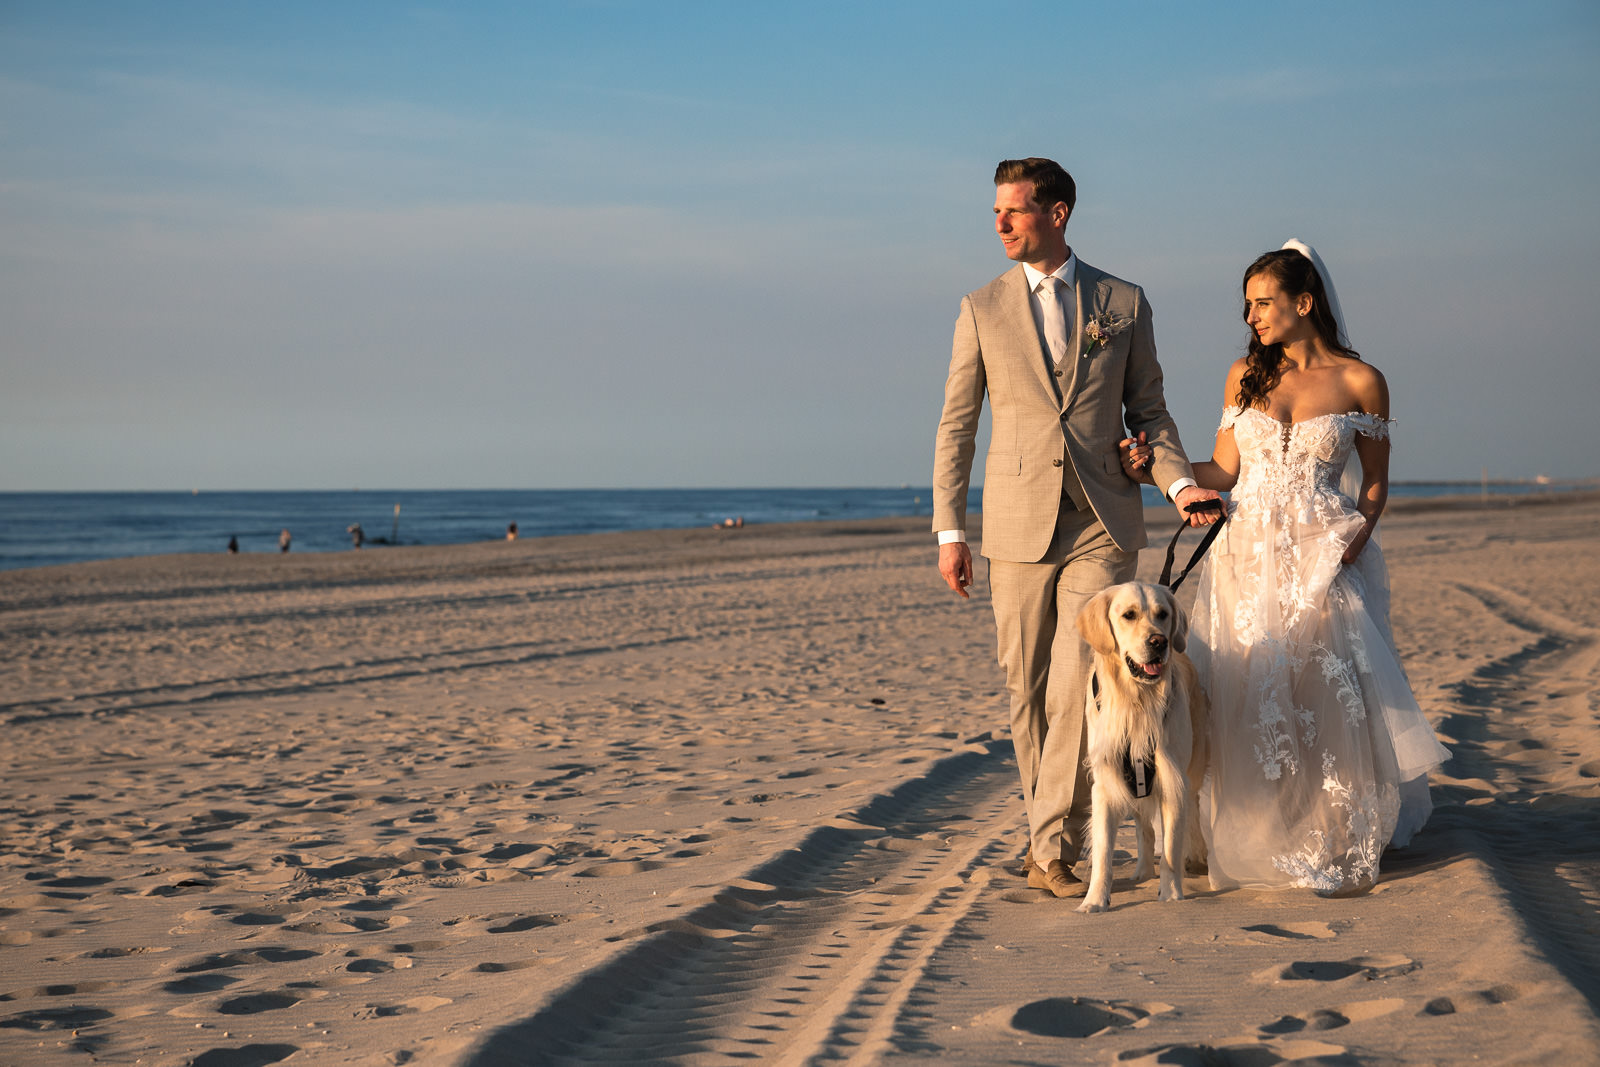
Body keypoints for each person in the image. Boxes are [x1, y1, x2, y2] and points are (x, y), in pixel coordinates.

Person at [1121, 241, 1449, 895]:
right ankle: (1263, 832)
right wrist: (1162, 474)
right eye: (1247, 305)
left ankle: (1332, 830)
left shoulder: (1363, 381)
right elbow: (1223, 471)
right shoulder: (1243, 374)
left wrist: (1357, 539)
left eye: (1264, 302)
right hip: (1245, 556)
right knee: (1251, 691)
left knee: (1326, 695)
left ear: (1305, 302)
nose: (1252, 316)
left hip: (1324, 552)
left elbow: (1376, 483)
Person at [932, 158, 1220, 898]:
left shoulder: (1122, 302)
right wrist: (949, 531)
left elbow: (1148, 412)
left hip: (1102, 518)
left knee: (1073, 684)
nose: (999, 223)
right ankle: (1047, 838)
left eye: (1014, 210)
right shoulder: (980, 308)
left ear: (1057, 213)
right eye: (995, 211)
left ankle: (1054, 850)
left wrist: (1180, 483)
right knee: (1026, 693)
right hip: (1015, 524)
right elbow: (958, 425)